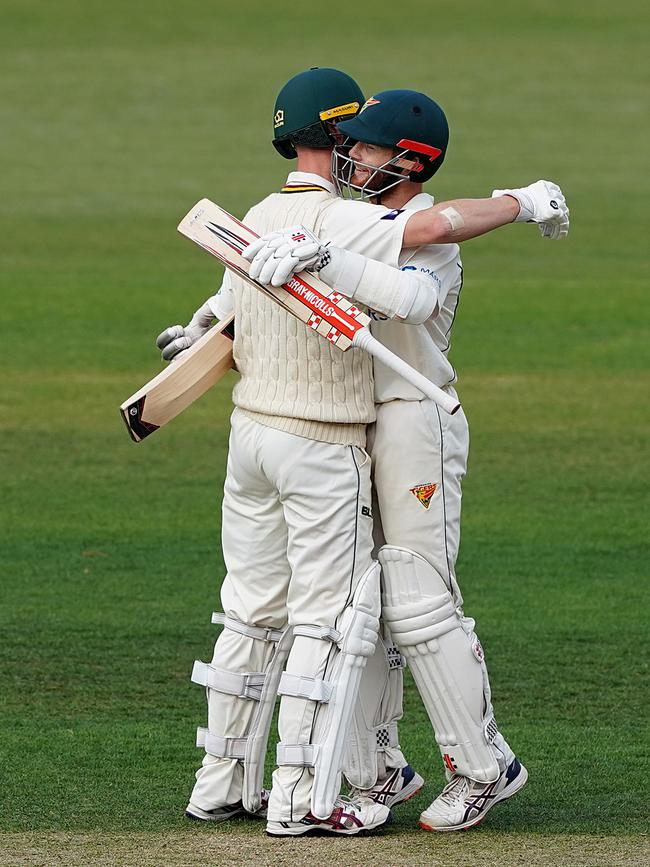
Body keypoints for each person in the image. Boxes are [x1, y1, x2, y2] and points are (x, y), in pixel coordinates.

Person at [158, 69, 568, 837]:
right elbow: (277, 280)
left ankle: (484, 766)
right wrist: (214, 319)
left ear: (409, 162)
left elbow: (409, 287)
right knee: (360, 605)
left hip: (414, 418)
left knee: (415, 598)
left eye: (370, 149)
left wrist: (321, 258)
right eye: (349, 144)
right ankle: (376, 767)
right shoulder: (347, 216)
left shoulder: (416, 228)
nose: (350, 157)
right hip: (346, 421)